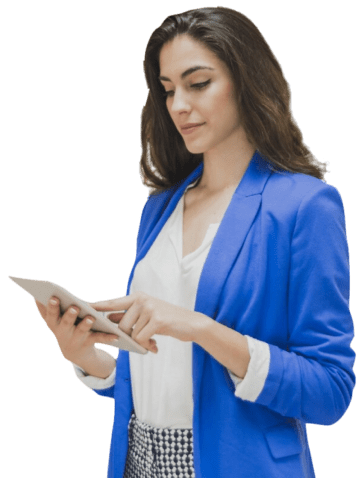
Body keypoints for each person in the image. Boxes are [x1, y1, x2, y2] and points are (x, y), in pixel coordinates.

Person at [35, 6, 356, 478]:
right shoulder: (160, 206)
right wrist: (86, 355)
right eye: (167, 90)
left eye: (198, 83)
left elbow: (331, 391)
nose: (178, 105)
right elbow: (164, 378)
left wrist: (199, 328)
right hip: (137, 462)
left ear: (247, 81)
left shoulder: (306, 207)